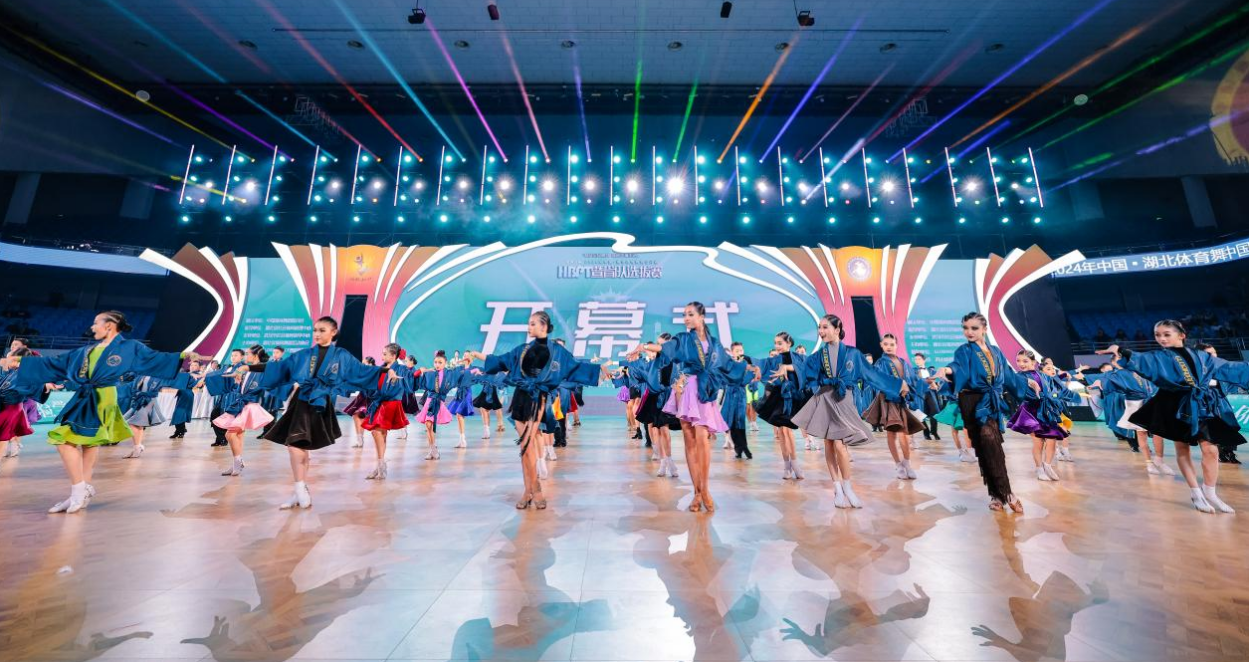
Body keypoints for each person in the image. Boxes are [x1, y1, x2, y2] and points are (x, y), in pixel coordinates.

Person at [2, 311, 198, 514]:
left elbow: (154, 358)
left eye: (96, 323)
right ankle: (83, 490)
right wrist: (21, 361)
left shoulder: (129, 347)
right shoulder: (88, 350)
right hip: (85, 396)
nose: (92, 327)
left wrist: (182, 356)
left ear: (109, 325)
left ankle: (78, 492)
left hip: (102, 398)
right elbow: (58, 362)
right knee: (89, 444)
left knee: (63, 441)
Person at [238, 316, 400, 510]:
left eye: (322, 330)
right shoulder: (305, 354)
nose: (317, 334)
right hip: (300, 402)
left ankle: (300, 489)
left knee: (298, 445)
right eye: (315, 330)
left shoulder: (341, 355)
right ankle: (299, 489)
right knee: (297, 446)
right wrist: (248, 367)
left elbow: (362, 370)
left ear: (333, 332)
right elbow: (280, 367)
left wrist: (387, 371)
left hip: (319, 403)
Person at [1099, 320, 1249, 514]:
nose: (1161, 338)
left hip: (1200, 404)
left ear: (1181, 335)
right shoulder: (1159, 356)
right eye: (1158, 335)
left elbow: (1229, 368)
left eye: (1166, 334)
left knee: (1211, 450)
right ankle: (1195, 492)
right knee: (1182, 448)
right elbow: (1143, 361)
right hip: (1173, 404)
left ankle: (1210, 492)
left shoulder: (1202, 356)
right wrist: (1121, 351)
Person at [466, 311, 606, 510]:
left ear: (544, 327)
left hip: (538, 398)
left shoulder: (557, 351)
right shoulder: (522, 349)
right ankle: (528, 490)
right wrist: (475, 354)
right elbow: (500, 361)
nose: (529, 327)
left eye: (533, 324)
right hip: (520, 398)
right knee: (524, 448)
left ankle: (536, 490)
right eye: (529, 323)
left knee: (529, 443)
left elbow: (574, 367)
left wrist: (599, 370)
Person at [626, 303, 748, 512]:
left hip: (705, 391)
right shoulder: (683, 339)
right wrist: (645, 347)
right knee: (690, 442)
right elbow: (666, 348)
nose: (686, 318)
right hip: (687, 390)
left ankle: (705, 490)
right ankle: (697, 493)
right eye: (684, 315)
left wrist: (753, 367)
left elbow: (729, 366)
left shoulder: (714, 343)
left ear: (702, 316)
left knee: (702, 439)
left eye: (690, 314)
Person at [790, 314, 904, 508]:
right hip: (825, 398)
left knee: (841, 445)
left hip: (844, 399)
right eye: (819, 327)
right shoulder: (818, 356)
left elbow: (871, 374)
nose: (821, 331)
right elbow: (805, 372)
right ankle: (837, 488)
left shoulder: (853, 353)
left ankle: (848, 487)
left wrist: (897, 384)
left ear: (837, 329)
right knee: (829, 443)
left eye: (825, 327)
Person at [933, 312, 1039, 513]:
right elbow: (958, 367)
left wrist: (1027, 381)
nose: (969, 332)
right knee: (985, 447)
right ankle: (1005, 494)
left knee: (992, 446)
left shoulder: (996, 351)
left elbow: (1008, 375)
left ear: (984, 329)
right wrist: (947, 370)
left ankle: (1000, 495)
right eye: (965, 328)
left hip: (991, 402)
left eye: (974, 328)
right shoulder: (963, 351)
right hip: (972, 402)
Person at [1085, 360, 1172, 475]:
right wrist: (1098, 382)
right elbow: (1106, 381)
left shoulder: (1147, 370)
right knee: (1141, 434)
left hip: (1152, 403)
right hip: (1135, 405)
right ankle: (1149, 463)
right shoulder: (1121, 373)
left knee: (1158, 433)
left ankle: (1159, 460)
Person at [1006, 351, 1076, 483]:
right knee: (1038, 442)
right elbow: (1012, 383)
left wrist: (1067, 376)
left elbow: (1054, 380)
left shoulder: (1042, 375)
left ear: (1033, 362)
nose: (1021, 364)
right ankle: (1039, 469)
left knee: (1052, 439)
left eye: (1025, 361)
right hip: (1030, 411)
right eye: (1018, 361)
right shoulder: (1019, 376)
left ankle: (1047, 465)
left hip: (1046, 410)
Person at [204, 345, 274, 477]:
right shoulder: (248, 370)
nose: (246, 356)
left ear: (255, 356)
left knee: (230, 435)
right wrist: (237, 383)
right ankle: (236, 463)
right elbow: (241, 387)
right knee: (238, 435)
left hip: (248, 405)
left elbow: (259, 388)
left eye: (248, 354)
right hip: (241, 404)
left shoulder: (260, 371)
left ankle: (238, 462)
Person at [864, 334, 926, 481]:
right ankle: (898, 465)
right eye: (886, 344)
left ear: (897, 345)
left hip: (901, 401)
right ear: (881, 345)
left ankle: (907, 463)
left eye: (892, 344)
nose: (889, 347)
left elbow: (913, 380)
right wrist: (898, 387)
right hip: (888, 400)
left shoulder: (903, 362)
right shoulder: (881, 363)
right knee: (893, 433)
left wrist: (927, 382)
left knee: (904, 433)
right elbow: (879, 380)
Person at [755, 332, 812, 480]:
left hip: (792, 398)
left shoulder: (798, 357)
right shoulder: (775, 359)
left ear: (789, 343)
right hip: (778, 398)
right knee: (782, 432)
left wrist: (788, 368)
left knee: (787, 431)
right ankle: (787, 466)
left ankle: (795, 465)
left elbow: (805, 368)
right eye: (775, 343)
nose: (777, 346)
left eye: (780, 343)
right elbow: (763, 368)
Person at [627, 334, 683, 478]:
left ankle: (669, 460)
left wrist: (643, 347)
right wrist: (633, 360)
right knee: (656, 429)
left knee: (664, 430)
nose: (659, 347)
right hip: (653, 397)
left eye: (661, 344)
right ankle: (663, 461)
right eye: (658, 344)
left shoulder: (673, 360)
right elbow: (639, 374)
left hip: (667, 398)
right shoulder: (653, 362)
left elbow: (679, 378)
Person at [357, 343, 414, 480]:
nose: (382, 356)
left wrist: (418, 373)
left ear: (393, 356)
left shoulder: (401, 369)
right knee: (381, 434)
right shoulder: (382, 368)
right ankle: (380, 467)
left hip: (391, 403)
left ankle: (381, 466)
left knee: (377, 432)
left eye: (385, 354)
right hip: (380, 403)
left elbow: (409, 381)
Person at [415, 350, 467, 461]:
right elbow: (418, 379)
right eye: (435, 362)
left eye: (440, 362)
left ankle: (433, 450)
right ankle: (432, 449)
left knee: (430, 425)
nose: (437, 365)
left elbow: (461, 372)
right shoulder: (430, 373)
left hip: (438, 402)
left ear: (445, 363)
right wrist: (421, 372)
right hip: (429, 401)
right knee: (428, 425)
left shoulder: (449, 374)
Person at [1197, 343, 1242, 465]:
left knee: (1231, 426)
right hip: (1205, 402)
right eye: (1209, 353)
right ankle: (1220, 453)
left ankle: (1229, 452)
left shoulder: (1221, 366)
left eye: (1214, 352)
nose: (1214, 355)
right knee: (1213, 429)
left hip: (1221, 401)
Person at [121, 372, 173, 459]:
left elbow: (172, 378)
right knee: (138, 425)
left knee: (133, 423)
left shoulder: (158, 375)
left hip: (148, 401)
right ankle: (137, 448)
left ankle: (137, 447)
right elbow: (127, 377)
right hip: (139, 400)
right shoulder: (140, 374)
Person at [721, 342, 755, 460]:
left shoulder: (746, 364)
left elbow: (747, 378)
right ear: (732, 352)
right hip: (730, 394)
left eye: (741, 350)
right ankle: (738, 448)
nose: (740, 353)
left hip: (740, 394)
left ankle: (744, 447)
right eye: (737, 351)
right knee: (731, 421)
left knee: (740, 421)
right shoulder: (728, 364)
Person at [913, 352, 943, 441]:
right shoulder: (913, 371)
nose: (917, 361)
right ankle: (926, 433)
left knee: (934, 413)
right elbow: (914, 382)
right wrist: (927, 382)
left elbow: (939, 380)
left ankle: (934, 431)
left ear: (924, 360)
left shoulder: (931, 370)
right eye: (915, 359)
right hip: (920, 394)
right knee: (921, 415)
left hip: (930, 394)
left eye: (919, 359)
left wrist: (936, 385)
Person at [168, 360, 199, 439]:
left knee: (180, 412)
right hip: (182, 393)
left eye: (195, 365)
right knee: (179, 413)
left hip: (187, 394)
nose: (192, 367)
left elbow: (197, 384)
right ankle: (179, 430)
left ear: (198, 367)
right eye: (191, 365)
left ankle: (180, 430)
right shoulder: (187, 374)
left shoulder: (198, 375)